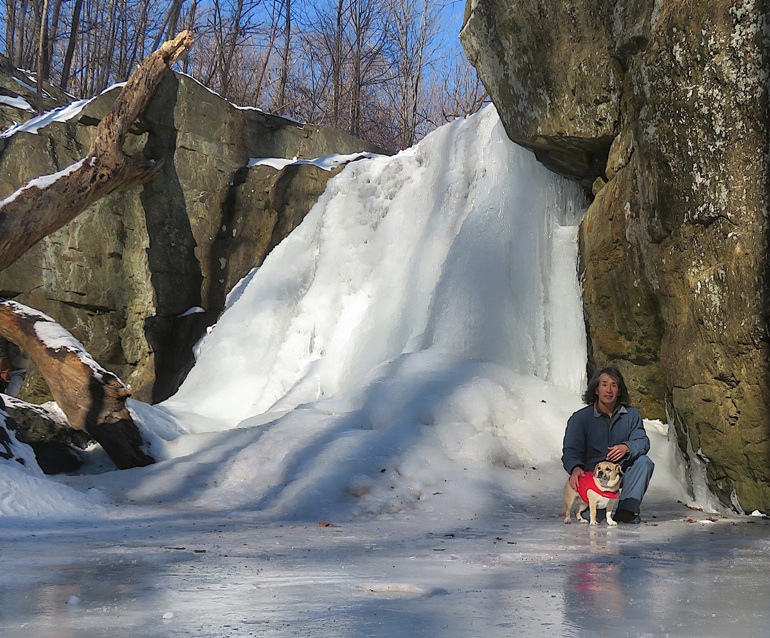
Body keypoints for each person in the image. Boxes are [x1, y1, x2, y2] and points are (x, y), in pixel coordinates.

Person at [562, 365, 654, 524]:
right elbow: (571, 450)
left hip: (620, 471)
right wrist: (575, 467)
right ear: (596, 390)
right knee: (591, 516)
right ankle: (596, 509)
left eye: (614, 385)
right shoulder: (580, 418)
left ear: (619, 390)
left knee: (644, 462)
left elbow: (642, 441)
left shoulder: (631, 415)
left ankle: (627, 510)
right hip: (594, 477)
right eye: (604, 384)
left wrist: (627, 447)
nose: (609, 390)